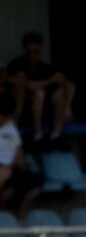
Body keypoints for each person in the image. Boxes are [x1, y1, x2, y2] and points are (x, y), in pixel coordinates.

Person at [6, 31, 76, 143]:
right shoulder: (17, 64)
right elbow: (30, 85)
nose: (33, 55)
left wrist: (68, 107)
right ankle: (38, 132)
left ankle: (56, 132)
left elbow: (69, 84)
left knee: (60, 92)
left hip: (44, 111)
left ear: (41, 49)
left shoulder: (44, 68)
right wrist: (51, 79)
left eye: (36, 52)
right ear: (24, 49)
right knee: (39, 93)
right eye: (29, 52)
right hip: (23, 111)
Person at [0, 91, 43, 223]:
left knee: (35, 186)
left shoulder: (11, 127)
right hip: (3, 169)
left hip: (13, 168)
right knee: (8, 190)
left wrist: (20, 162)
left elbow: (19, 150)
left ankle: (21, 216)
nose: (4, 119)